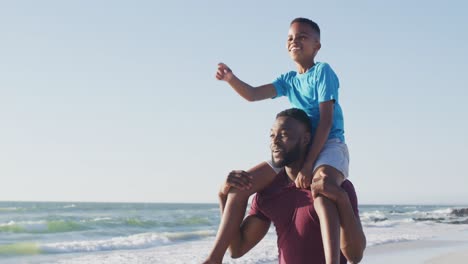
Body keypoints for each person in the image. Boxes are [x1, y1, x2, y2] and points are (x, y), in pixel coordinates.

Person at [205, 18, 350, 263]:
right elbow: (252, 94)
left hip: (328, 144)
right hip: (296, 148)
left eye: (303, 36)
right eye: (290, 38)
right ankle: (214, 258)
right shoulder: (288, 80)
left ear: (317, 45)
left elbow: (326, 121)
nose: (295, 41)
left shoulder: (322, 71)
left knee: (322, 186)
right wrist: (231, 78)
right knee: (239, 187)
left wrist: (307, 166)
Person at [213, 109, 365, 264]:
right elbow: (237, 249)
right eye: (272, 135)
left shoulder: (335, 187)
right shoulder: (268, 192)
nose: (275, 141)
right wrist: (223, 196)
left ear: (305, 139)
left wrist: (342, 198)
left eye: (284, 135)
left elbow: (355, 255)